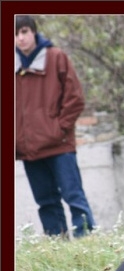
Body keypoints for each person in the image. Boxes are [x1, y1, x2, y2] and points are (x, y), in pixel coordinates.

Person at [15, 15, 95, 238]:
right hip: (28, 150)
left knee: (74, 196)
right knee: (45, 202)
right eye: (15, 34)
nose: (20, 38)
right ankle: (56, 243)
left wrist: (58, 129)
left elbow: (75, 98)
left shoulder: (56, 57)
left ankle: (86, 239)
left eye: (24, 32)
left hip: (59, 145)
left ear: (33, 32)